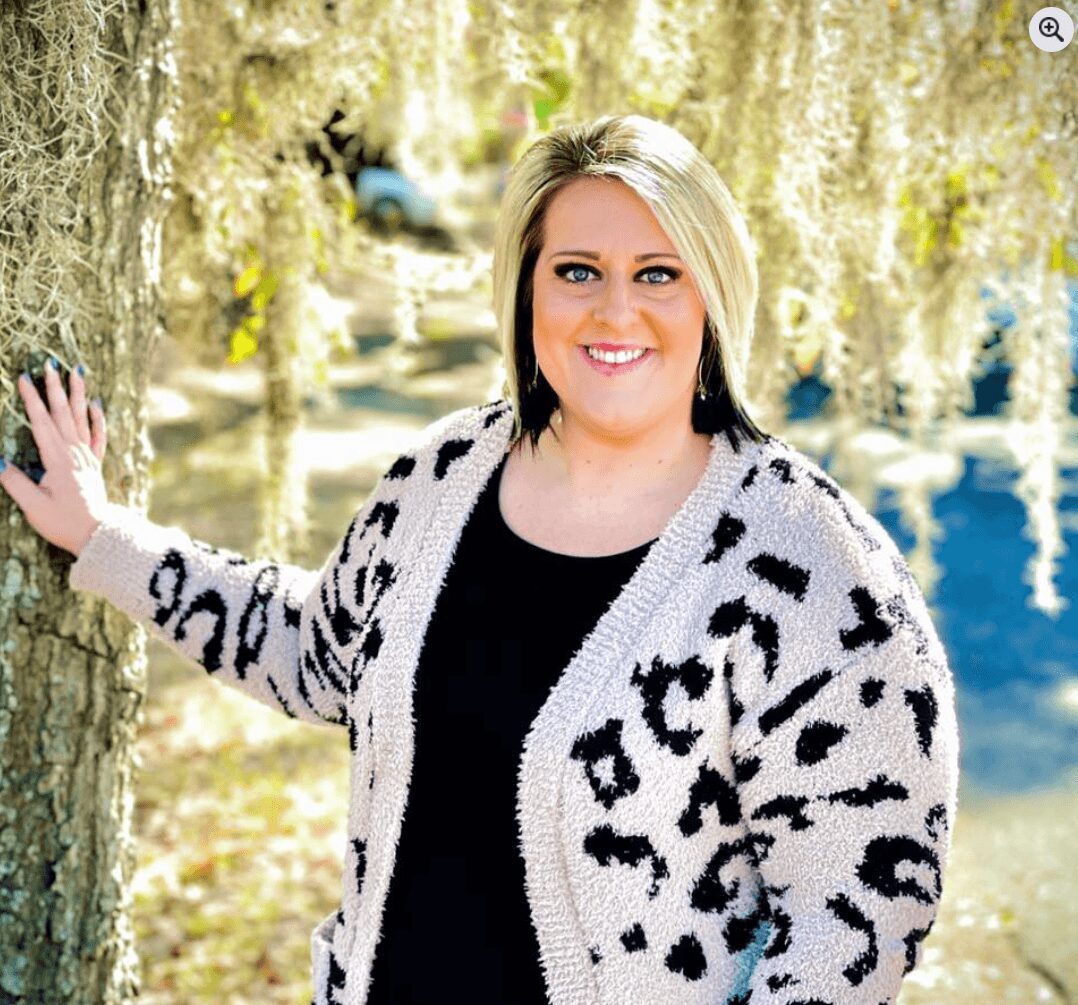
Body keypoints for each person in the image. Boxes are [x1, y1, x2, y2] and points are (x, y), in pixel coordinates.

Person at [0, 113, 960, 1005]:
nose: (614, 310)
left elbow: (862, 910)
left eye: (658, 273)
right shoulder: (444, 473)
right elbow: (314, 649)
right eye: (576, 270)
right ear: (527, 289)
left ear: (713, 292)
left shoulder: (812, 563)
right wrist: (104, 537)